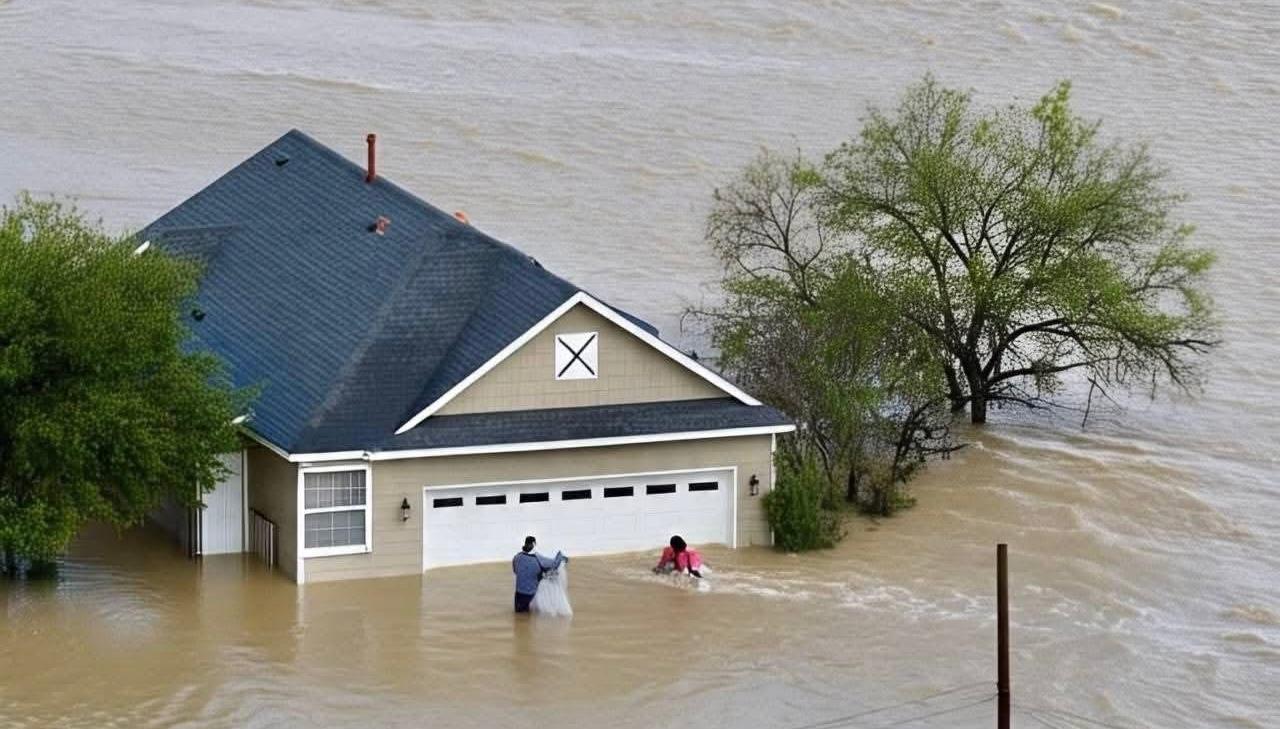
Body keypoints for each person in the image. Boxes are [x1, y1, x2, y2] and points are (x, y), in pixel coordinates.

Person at [512, 535, 566, 613]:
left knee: (520, 614)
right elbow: (554, 564)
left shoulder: (517, 557)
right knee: (545, 573)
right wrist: (560, 556)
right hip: (530, 593)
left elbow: (515, 571)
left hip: (519, 593)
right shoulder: (538, 559)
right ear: (533, 544)